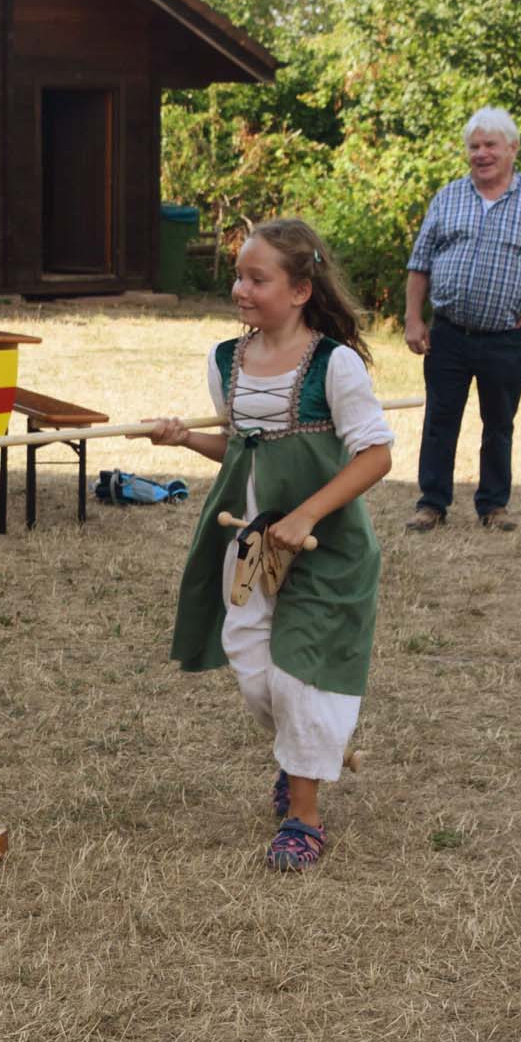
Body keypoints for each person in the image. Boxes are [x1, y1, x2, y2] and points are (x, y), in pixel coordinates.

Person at [154, 219, 393, 872]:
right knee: (255, 672)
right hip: (251, 546)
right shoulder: (226, 361)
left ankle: (303, 817)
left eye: (257, 278)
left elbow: (376, 455)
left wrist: (308, 512)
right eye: (239, 275)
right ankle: (307, 749)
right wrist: (182, 440)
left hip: (325, 545)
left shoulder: (333, 365)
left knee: (298, 674)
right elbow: (238, 448)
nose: (241, 289)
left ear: (298, 290)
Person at [401, 108, 521, 533]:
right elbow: (419, 264)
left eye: (491, 145)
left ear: (512, 149)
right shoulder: (448, 196)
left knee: (499, 425)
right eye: (475, 146)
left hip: (507, 338)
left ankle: (493, 506)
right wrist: (413, 319)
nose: (482, 153)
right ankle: (431, 504)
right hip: (448, 333)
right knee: (439, 420)